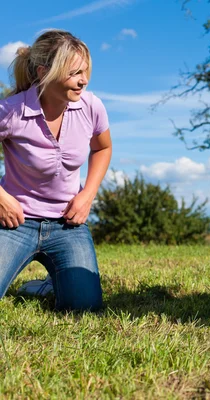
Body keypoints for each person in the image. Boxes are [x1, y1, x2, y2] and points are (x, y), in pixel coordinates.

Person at [0, 30, 112, 311]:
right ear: (44, 72)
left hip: (67, 224)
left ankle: (50, 284)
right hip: (15, 222)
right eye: (74, 72)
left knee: (83, 307)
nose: (83, 80)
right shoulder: (11, 111)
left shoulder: (91, 106)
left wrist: (87, 194)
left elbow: (102, 148)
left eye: (85, 71)